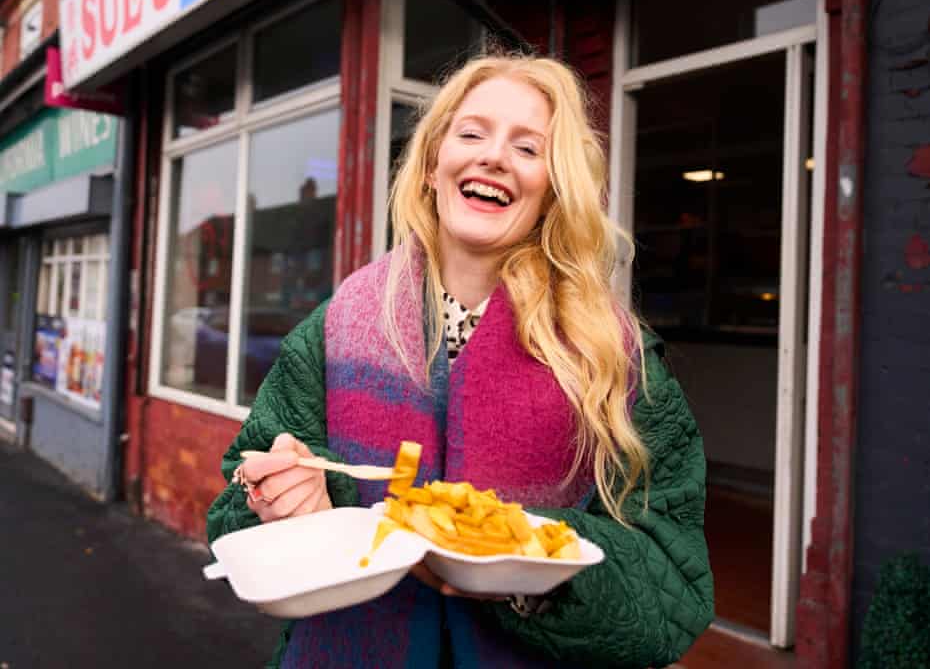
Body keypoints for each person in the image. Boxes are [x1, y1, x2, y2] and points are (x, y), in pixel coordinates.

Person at [207, 53, 714, 667]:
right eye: (472, 134)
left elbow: (674, 587)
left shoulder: (615, 356)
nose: (494, 157)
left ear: (553, 190)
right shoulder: (335, 328)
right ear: (431, 165)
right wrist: (280, 502)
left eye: (528, 148)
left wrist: (528, 567)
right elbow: (233, 507)